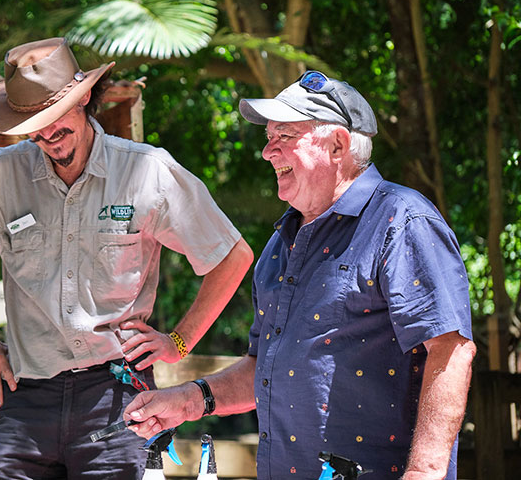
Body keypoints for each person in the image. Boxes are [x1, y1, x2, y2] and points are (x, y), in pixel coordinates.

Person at [0, 37, 254, 479]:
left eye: (58, 124)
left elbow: (232, 255)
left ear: (85, 100)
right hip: (25, 395)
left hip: (117, 393)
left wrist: (179, 342)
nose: (51, 140)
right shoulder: (0, 176)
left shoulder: (147, 170)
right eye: (36, 130)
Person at [124, 71, 476, 480]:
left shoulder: (401, 220)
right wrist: (187, 400)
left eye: (285, 136)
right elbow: (267, 369)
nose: (267, 152)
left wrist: (426, 472)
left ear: (338, 145)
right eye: (269, 137)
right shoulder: (279, 247)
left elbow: (451, 350)